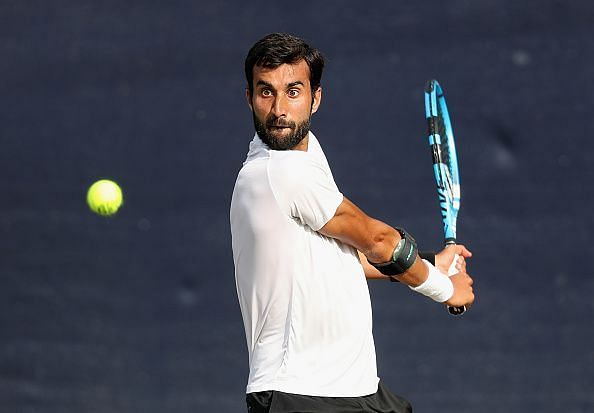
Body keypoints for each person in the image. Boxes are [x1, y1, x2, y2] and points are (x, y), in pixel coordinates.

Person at [230, 33, 475, 413]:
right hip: (299, 394)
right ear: (249, 98)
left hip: (352, 387)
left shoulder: (307, 155)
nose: (279, 109)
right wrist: (446, 289)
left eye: (293, 92)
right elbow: (376, 240)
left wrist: (429, 263)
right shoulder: (280, 170)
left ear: (316, 98)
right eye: (266, 92)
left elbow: (341, 257)